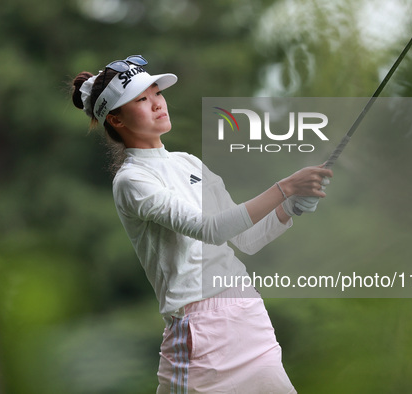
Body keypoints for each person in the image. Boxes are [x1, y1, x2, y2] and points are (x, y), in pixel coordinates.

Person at [71, 54, 332, 393]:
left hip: (248, 318)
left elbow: (248, 238)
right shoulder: (132, 180)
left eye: (157, 94)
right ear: (116, 119)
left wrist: (291, 206)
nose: (157, 104)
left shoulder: (188, 163)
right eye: (141, 99)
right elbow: (210, 230)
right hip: (199, 335)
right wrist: (284, 188)